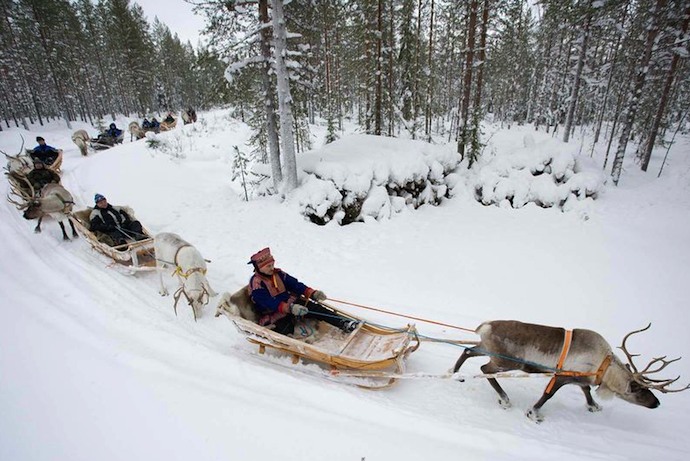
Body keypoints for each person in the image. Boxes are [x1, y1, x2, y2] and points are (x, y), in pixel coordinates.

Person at [248, 247, 359, 336]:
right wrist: (289, 308)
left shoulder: (278, 274)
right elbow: (268, 302)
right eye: (268, 266)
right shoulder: (257, 283)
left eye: (272, 264)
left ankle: (343, 323)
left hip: (291, 304)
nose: (272, 268)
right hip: (274, 312)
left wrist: (311, 293)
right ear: (259, 268)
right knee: (285, 330)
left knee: (316, 309)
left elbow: (295, 284)